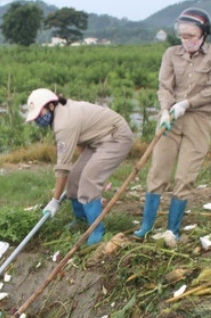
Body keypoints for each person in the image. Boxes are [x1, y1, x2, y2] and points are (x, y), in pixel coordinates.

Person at [134, 8, 211, 241]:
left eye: (191, 36)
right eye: (182, 36)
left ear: (203, 34)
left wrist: (187, 103)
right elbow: (165, 86)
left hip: (198, 119)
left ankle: (172, 230)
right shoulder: (171, 54)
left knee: (185, 175)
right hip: (171, 119)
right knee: (158, 171)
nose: (186, 41)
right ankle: (146, 226)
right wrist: (166, 110)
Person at [24, 88, 134, 246]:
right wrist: (83, 165)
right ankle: (81, 220)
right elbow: (81, 138)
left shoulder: (63, 123)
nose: (38, 120)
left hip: (116, 137)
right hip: (97, 141)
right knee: (74, 178)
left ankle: (97, 231)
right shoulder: (60, 113)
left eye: (39, 114)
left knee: (89, 180)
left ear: (51, 106)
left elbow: (62, 168)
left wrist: (55, 200)